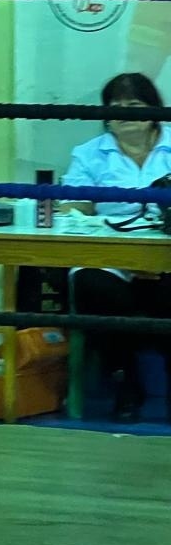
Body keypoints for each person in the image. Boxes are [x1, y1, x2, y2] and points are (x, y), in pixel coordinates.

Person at [60, 72, 171, 421]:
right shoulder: (89, 154)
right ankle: (126, 382)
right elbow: (71, 208)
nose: (124, 113)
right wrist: (80, 208)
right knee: (91, 284)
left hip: (166, 256)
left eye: (134, 105)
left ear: (154, 110)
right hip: (109, 256)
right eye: (116, 106)